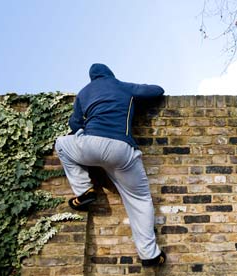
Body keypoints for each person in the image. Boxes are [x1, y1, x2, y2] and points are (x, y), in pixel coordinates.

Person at [55, 63, 166, 267]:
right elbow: (157, 91)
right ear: (110, 74)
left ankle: (84, 191)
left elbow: (75, 124)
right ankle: (150, 255)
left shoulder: (83, 93)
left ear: (92, 78)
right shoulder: (123, 86)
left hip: (91, 146)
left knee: (61, 144)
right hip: (121, 149)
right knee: (139, 199)